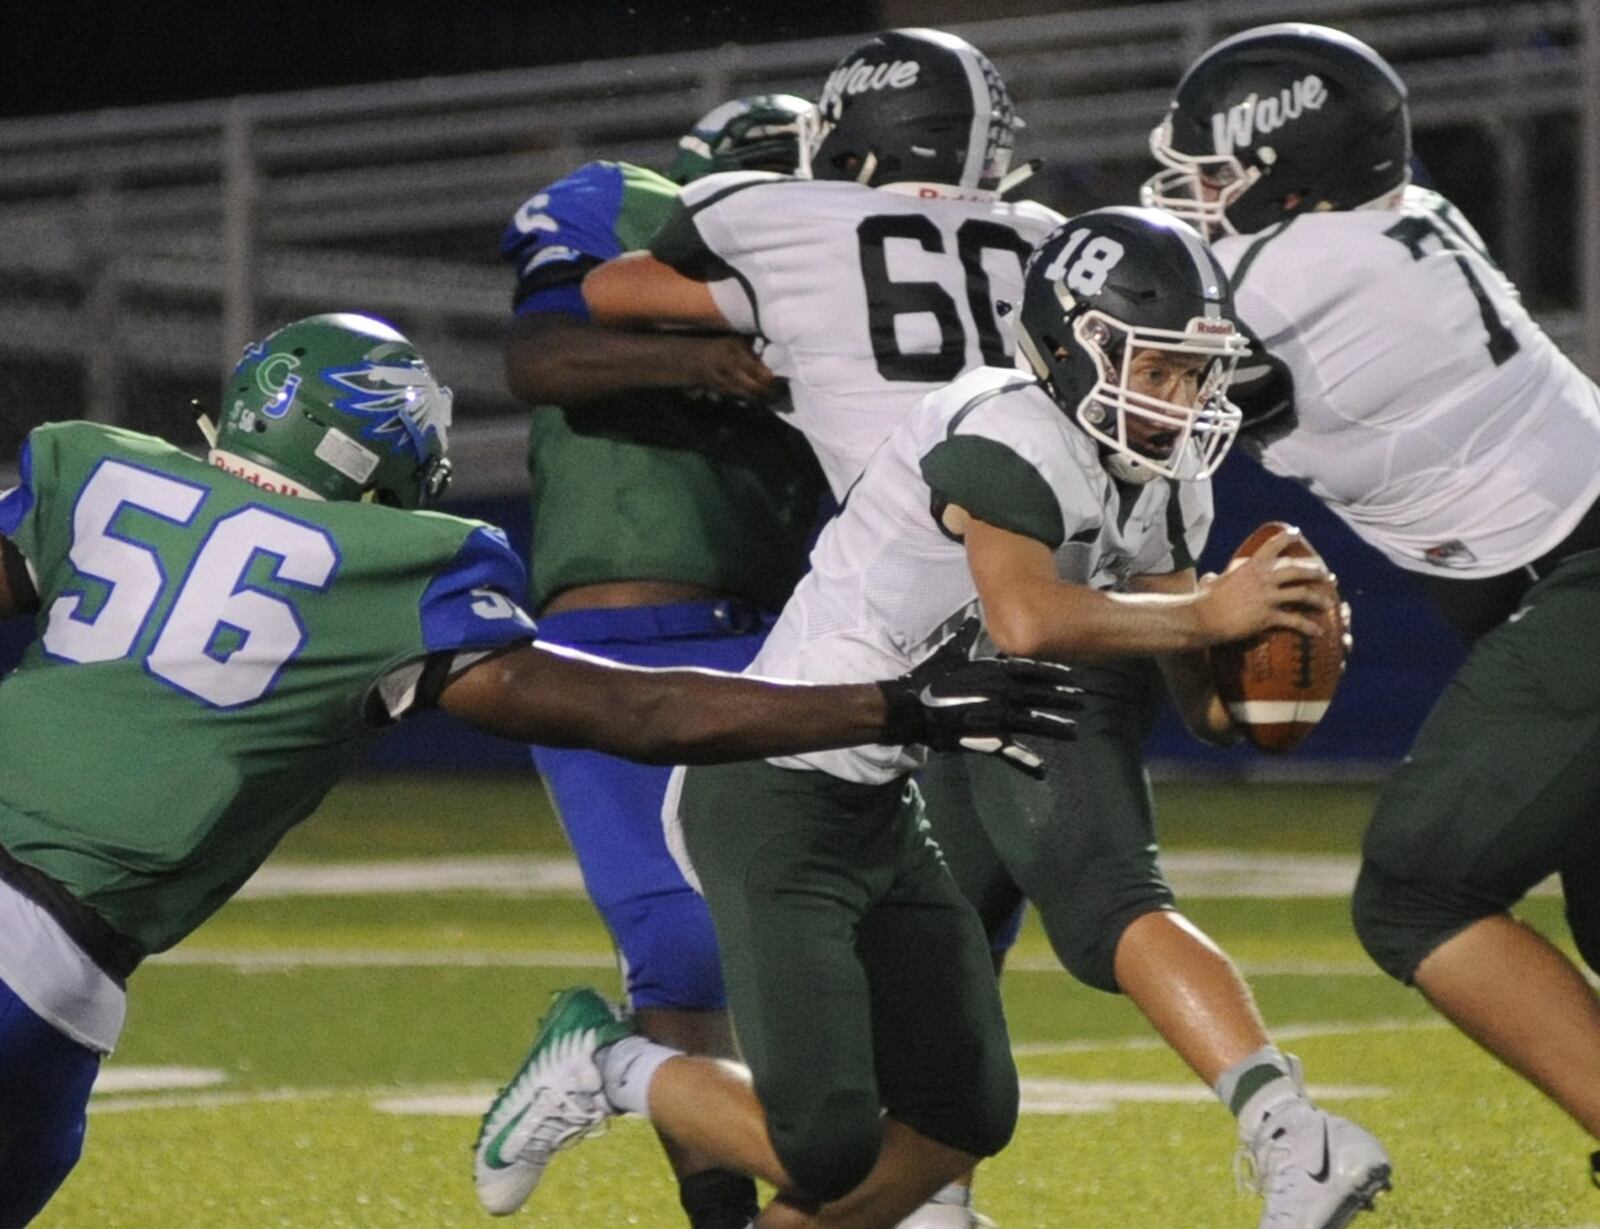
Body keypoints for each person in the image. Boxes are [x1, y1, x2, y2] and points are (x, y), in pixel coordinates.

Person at [0, 312, 1082, 1229]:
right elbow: (637, 708)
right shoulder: (389, 566)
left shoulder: (92, 468)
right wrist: (887, 703)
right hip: (47, 952)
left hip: (66, 957)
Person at [469, 208, 1367, 1229]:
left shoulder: (1162, 483)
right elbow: (1024, 615)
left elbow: (1195, 695)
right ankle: (607, 1058)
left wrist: (1273, 657)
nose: (1176, 400)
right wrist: (1211, 608)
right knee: (823, 1140)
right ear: (1071, 345)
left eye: (1193, 372)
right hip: (774, 792)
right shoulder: (1002, 426)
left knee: (963, 1112)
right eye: (1152, 368)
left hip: (888, 805)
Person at [1142, 19, 1600, 1191]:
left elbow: (1123, 381)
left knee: (1415, 891)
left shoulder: (1285, 277)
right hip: (1566, 580)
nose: (1195, 200)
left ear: (1287, 174)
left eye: (1214, 176)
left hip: (1580, 592)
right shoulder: (1388, 222)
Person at [496, 93, 828, 1229]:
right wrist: (712, 355)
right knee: (680, 947)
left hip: (802, 632)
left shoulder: (856, 270)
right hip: (621, 635)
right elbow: (539, 356)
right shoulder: (617, 210)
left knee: (855, 937)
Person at [580, 27, 1065, 501]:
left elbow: (608, 291)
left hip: (907, 541)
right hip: (1061, 517)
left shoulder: (802, 220)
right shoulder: (1047, 233)